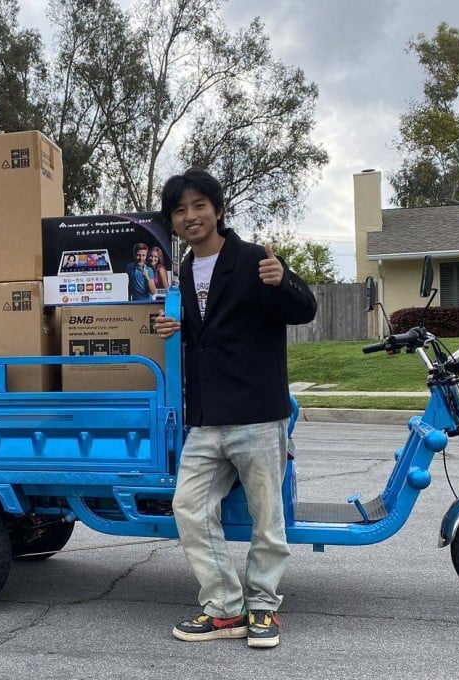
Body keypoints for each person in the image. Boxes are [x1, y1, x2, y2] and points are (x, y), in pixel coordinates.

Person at [153, 168, 316, 649]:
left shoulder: (252, 260)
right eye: (180, 210)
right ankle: (224, 607)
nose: (190, 216)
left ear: (219, 210)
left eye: (199, 205)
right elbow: (206, 337)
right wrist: (175, 330)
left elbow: (304, 309)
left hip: (258, 414)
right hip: (206, 418)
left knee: (268, 518)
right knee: (189, 507)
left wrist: (284, 280)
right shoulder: (182, 271)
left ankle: (263, 608)